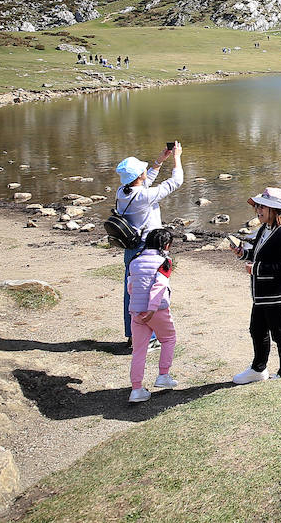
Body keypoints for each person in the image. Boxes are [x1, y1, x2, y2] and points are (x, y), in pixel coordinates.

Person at [114, 143, 184, 344]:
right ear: (138, 176)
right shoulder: (143, 196)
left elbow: (144, 182)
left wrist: (159, 162)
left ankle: (133, 335)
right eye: (143, 170)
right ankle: (149, 338)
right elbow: (176, 182)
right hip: (148, 249)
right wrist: (176, 157)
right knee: (152, 292)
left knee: (132, 292)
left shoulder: (123, 192)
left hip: (131, 250)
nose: (146, 171)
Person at [232, 187, 281, 383]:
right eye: (258, 206)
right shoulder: (265, 228)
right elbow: (258, 254)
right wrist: (243, 253)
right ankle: (258, 369)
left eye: (263, 207)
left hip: (280, 295)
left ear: (274, 209)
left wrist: (257, 269)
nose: (258, 210)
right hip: (263, 295)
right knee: (257, 330)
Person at [126, 228, 179, 403]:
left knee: (139, 350)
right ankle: (163, 375)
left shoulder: (134, 261)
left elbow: (131, 286)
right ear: (166, 245)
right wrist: (152, 309)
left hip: (136, 310)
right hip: (157, 310)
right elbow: (160, 285)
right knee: (169, 339)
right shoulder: (164, 261)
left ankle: (136, 389)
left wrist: (139, 306)